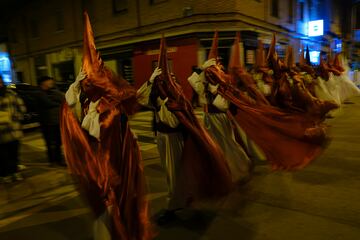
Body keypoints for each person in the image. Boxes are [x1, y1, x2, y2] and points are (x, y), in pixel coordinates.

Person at [60, 12, 152, 240]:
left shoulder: (110, 109)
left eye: (90, 82)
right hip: (94, 171)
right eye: (86, 82)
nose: (87, 86)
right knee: (103, 215)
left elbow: (118, 135)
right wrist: (75, 84)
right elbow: (68, 103)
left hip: (110, 172)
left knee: (110, 212)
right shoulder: (84, 105)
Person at [137, 36, 233, 225]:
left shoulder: (174, 98)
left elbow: (172, 122)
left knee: (175, 175)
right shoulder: (158, 95)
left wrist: (163, 103)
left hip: (174, 139)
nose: (163, 83)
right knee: (171, 174)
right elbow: (139, 98)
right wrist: (149, 82)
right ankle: (183, 202)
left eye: (167, 80)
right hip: (163, 139)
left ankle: (174, 207)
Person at [0, 75, 26, 183]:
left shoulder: (12, 94)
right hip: (1, 132)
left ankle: (15, 173)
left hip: (14, 129)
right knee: (3, 156)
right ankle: (6, 175)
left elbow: (22, 108)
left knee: (14, 154)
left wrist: (16, 117)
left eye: (0, 81)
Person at [36, 76, 65, 166]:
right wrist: (58, 104)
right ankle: (52, 161)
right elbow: (48, 103)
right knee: (50, 143)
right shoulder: (39, 93)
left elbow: (63, 99)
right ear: (43, 83)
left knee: (58, 142)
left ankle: (59, 160)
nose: (51, 83)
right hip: (47, 123)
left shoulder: (53, 91)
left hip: (56, 121)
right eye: (49, 82)